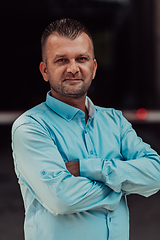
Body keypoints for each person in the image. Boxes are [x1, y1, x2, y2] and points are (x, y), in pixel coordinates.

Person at [12, 18, 160, 240]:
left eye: (81, 58)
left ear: (94, 67)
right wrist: (124, 183)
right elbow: (62, 198)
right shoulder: (30, 128)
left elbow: (156, 173)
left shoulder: (115, 121)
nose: (73, 68)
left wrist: (89, 168)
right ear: (45, 71)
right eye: (61, 60)